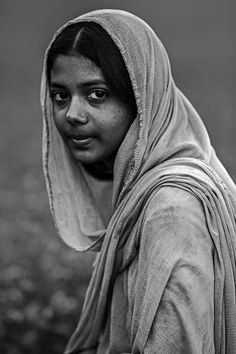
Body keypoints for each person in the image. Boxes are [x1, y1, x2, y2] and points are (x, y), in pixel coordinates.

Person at [41, 9, 236, 354]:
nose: (72, 114)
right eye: (60, 95)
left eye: (96, 94)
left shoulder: (172, 210)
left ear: (141, 101)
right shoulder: (153, 186)